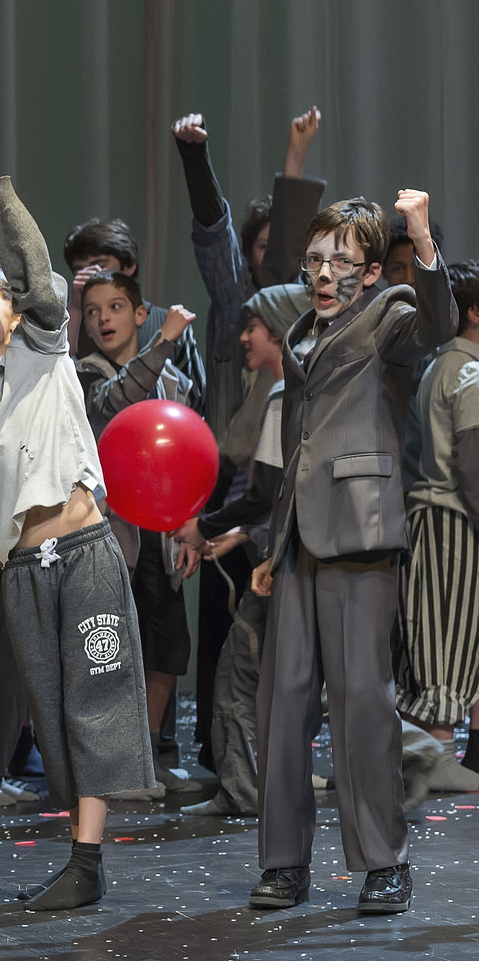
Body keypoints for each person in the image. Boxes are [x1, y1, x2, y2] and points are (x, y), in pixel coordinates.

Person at [0, 134, 153, 912]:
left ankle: (88, 859)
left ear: (17, 314)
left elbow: (33, 259)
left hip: (82, 549)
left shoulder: (44, 349)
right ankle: (81, 858)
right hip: (21, 569)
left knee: (97, 699)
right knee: (50, 714)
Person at [247, 192, 453, 914]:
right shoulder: (301, 330)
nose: (324, 273)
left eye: (341, 261)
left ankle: (383, 862)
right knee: (283, 704)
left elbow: (438, 325)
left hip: (361, 529)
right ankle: (283, 863)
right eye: (315, 260)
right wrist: (274, 544)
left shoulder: (391, 313)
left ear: (369, 271)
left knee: (363, 702)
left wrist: (419, 237)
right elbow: (298, 449)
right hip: (299, 537)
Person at [170, 107, 326, 773]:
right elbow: (214, 235)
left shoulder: (300, 329)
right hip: (227, 488)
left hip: (278, 493)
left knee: (275, 638)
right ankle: (222, 754)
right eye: (256, 247)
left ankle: (270, 760)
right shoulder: (238, 312)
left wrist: (296, 156)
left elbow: (292, 250)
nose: (267, 256)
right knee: (223, 631)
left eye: (273, 248)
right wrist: (194, 157)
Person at [180, 284, 309, 817]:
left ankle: (243, 793)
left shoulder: (283, 394)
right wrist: (235, 534)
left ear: (279, 331)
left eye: (253, 327)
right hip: (299, 552)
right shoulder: (314, 387)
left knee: (238, 677)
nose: (244, 337)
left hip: (279, 562)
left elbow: (265, 493)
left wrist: (202, 525)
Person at [74, 272, 200, 799]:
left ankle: (146, 760)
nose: (104, 318)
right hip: (111, 531)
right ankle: (116, 766)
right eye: (93, 310)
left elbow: (190, 452)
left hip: (161, 532)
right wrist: (165, 340)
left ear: (139, 314)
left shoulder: (176, 382)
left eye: (116, 307)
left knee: (167, 646)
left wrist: (192, 525)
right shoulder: (84, 374)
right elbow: (117, 399)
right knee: (113, 650)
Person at [397, 260, 479, 765]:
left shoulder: (438, 366)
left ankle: (445, 758)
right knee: (446, 639)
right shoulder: (467, 371)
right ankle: (440, 760)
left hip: (433, 518)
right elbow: (472, 465)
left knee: (450, 635)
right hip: (450, 520)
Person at [62, 216, 207, 419]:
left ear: (129, 266)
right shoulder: (80, 335)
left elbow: (195, 405)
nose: (91, 277)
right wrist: (77, 308)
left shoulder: (166, 323)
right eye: (80, 270)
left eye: (100, 266)